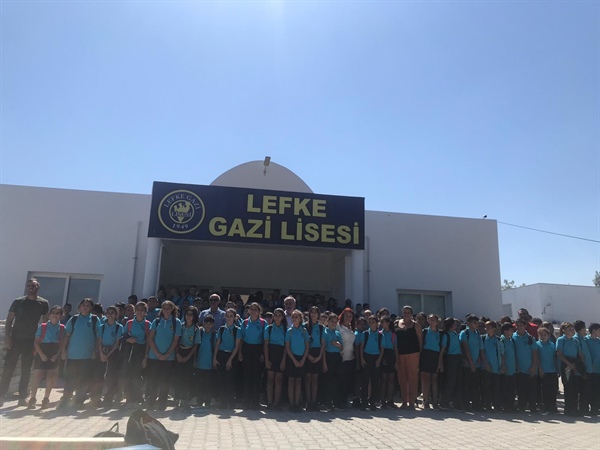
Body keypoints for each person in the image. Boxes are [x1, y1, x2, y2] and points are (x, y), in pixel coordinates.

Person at [0, 278, 49, 407]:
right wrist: (7, 337)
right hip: (15, 339)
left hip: (30, 341)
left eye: (33, 285)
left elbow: (45, 323)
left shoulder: (43, 303)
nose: (30, 287)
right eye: (29, 285)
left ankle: (22, 397)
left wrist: (39, 341)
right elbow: (9, 320)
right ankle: (1, 395)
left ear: (38, 287)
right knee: (8, 369)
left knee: (26, 370)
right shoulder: (18, 302)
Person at [58, 298, 100, 409]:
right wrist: (63, 351)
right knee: (70, 379)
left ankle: (79, 400)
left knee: (84, 379)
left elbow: (98, 337)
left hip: (87, 356)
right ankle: (65, 400)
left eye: (88, 305)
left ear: (91, 308)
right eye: (83, 305)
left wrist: (95, 351)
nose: (85, 307)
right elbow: (67, 336)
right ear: (79, 307)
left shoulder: (94, 320)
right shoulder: (73, 319)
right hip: (72, 355)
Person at [146, 300, 182, 410]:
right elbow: (151, 338)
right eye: (164, 308)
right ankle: (151, 402)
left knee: (165, 381)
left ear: (172, 309)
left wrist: (167, 354)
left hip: (168, 358)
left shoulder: (176, 322)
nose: (166, 310)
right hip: (154, 356)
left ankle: (162, 403)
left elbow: (175, 340)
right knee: (153, 380)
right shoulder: (156, 321)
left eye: (168, 308)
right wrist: (157, 353)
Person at [28, 305, 64, 410]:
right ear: (49, 315)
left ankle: (46, 399)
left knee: (50, 377)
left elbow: (61, 343)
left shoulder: (62, 328)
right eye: (53, 313)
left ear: (61, 316)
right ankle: (33, 398)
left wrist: (57, 355)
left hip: (54, 351)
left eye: (58, 313)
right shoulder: (42, 326)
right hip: (42, 350)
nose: (55, 315)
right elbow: (36, 342)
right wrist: (41, 355)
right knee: (37, 375)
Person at [92, 305, 124, 407]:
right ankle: (96, 398)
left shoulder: (119, 327)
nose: (110, 315)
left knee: (111, 376)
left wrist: (108, 355)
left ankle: (109, 398)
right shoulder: (102, 326)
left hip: (113, 352)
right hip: (102, 350)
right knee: (99, 375)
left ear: (116, 315)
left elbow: (117, 343)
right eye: (108, 313)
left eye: (112, 313)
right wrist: (102, 353)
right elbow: (99, 341)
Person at [122, 301, 151, 408]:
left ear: (145, 312)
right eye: (137, 309)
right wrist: (128, 339)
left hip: (141, 350)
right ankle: (129, 398)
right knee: (128, 374)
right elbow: (123, 337)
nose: (139, 312)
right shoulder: (129, 323)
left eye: (142, 310)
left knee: (137, 375)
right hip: (130, 350)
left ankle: (138, 397)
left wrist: (146, 356)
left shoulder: (148, 324)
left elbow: (148, 341)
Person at [213, 308, 242, 409]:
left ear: (234, 317)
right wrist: (214, 358)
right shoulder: (221, 329)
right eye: (227, 316)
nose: (229, 318)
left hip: (231, 355)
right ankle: (223, 402)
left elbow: (237, 346)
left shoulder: (237, 330)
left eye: (231, 316)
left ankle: (231, 401)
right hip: (221, 354)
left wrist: (230, 360)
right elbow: (217, 344)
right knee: (221, 379)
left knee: (230, 380)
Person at [239, 302, 266, 410]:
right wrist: (240, 352)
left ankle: (255, 401)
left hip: (258, 349)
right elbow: (241, 339)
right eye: (252, 309)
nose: (253, 311)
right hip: (246, 349)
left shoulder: (263, 323)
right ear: (249, 311)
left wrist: (263, 353)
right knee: (246, 376)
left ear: (259, 312)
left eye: (256, 310)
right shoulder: (245, 322)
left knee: (256, 376)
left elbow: (265, 340)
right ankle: (246, 401)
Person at [395, 305, 422, 410]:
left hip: (413, 354)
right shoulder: (397, 323)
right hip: (400, 354)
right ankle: (404, 401)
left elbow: (420, 340)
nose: (406, 314)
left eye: (408, 312)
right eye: (404, 312)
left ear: (411, 314)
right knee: (402, 378)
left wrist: (420, 354)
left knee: (412, 378)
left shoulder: (416, 325)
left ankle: (411, 402)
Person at [556, 322, 584, 416]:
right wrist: (569, 364)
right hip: (566, 364)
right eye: (570, 329)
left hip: (575, 363)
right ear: (564, 330)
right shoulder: (561, 340)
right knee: (568, 387)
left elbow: (580, 353)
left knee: (575, 387)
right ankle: (568, 409)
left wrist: (580, 365)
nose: (572, 331)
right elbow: (559, 354)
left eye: (573, 329)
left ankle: (575, 409)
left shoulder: (575, 341)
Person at [174, 306, 199, 411]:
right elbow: (176, 340)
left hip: (189, 353)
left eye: (191, 315)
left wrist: (188, 357)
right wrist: (177, 354)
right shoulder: (180, 326)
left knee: (186, 378)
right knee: (178, 377)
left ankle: (184, 399)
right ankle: (176, 398)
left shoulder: (196, 329)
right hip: (179, 351)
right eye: (187, 314)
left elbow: (195, 345)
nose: (188, 316)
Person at [285, 309, 309, 412]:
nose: (294, 319)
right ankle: (292, 404)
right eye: (293, 317)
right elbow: (287, 347)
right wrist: (294, 360)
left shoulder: (304, 331)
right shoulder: (289, 331)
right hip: (292, 358)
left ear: (300, 319)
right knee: (291, 381)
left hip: (301, 358)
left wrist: (303, 359)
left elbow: (307, 346)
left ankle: (297, 403)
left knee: (298, 381)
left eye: (296, 317)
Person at [513, 318, 539, 412]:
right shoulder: (513, 337)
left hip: (530, 368)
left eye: (521, 325)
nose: (519, 327)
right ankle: (521, 407)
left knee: (532, 389)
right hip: (519, 369)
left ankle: (533, 407)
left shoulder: (530, 338)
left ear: (525, 326)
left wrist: (533, 366)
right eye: (518, 326)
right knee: (521, 389)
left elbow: (535, 352)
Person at [264, 308, 287, 410]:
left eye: (279, 316)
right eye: (276, 315)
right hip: (271, 354)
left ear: (282, 317)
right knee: (270, 380)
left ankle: (276, 402)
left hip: (281, 354)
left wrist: (283, 360)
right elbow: (266, 345)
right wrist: (267, 360)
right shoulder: (268, 328)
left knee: (278, 380)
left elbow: (286, 347)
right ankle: (269, 402)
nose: (277, 318)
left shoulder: (285, 329)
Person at [459, 315, 483, 412]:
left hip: (477, 364)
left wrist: (479, 358)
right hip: (467, 364)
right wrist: (471, 362)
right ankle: (466, 404)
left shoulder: (477, 334)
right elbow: (466, 348)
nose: (476, 325)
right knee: (466, 385)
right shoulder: (464, 333)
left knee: (475, 385)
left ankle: (476, 404)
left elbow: (480, 348)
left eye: (477, 323)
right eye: (474, 323)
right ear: (468, 323)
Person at [420, 314, 444, 410]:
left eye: (434, 320)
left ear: (437, 322)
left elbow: (441, 348)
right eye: (430, 319)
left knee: (434, 379)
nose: (432, 321)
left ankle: (435, 402)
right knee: (426, 379)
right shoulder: (425, 331)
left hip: (436, 356)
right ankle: (425, 401)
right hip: (426, 355)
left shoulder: (440, 333)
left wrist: (440, 362)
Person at [360, 315, 383, 410]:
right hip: (366, 356)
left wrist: (379, 360)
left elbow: (382, 349)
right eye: (370, 322)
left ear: (377, 324)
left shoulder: (380, 335)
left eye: (373, 322)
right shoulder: (365, 333)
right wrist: (362, 359)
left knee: (375, 381)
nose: (371, 324)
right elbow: (361, 347)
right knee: (365, 381)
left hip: (376, 357)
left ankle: (372, 401)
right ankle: (364, 401)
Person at [305, 306, 325, 412]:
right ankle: (308, 402)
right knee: (308, 379)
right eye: (311, 312)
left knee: (315, 380)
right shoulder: (305, 326)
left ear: (318, 315)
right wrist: (307, 355)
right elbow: (303, 342)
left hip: (317, 353)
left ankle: (314, 401)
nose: (313, 314)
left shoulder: (321, 328)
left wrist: (319, 356)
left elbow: (323, 344)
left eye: (315, 312)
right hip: (308, 352)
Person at [439, 317, 462, 411]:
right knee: (450, 382)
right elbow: (442, 350)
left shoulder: (455, 334)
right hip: (450, 358)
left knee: (458, 381)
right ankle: (444, 402)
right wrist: (440, 363)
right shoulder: (446, 335)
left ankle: (455, 403)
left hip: (458, 357)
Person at [481, 320, 503, 412]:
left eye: (488, 327)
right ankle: (487, 405)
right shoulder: (482, 338)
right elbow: (482, 352)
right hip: (486, 367)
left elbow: (502, 353)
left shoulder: (498, 340)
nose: (486, 329)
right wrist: (486, 364)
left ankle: (497, 405)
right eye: (485, 327)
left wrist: (503, 366)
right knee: (486, 387)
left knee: (496, 387)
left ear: (494, 329)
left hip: (496, 367)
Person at [323, 313, 344, 411]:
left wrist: (338, 345)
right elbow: (324, 348)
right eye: (332, 321)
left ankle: (335, 402)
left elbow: (341, 348)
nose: (333, 324)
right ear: (328, 321)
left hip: (337, 357)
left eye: (335, 322)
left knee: (336, 381)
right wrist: (324, 363)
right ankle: (327, 402)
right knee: (328, 381)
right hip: (328, 356)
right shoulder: (325, 332)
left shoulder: (337, 333)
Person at [337, 307, 356, 410]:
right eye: (346, 316)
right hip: (341, 357)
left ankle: (344, 401)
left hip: (350, 358)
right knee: (340, 381)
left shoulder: (351, 328)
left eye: (350, 316)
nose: (348, 318)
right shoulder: (338, 327)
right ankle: (339, 402)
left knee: (347, 382)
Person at [195, 314, 216, 408]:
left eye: (210, 323)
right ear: (203, 323)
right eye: (206, 322)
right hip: (199, 363)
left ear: (212, 324)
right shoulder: (199, 333)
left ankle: (208, 401)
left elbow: (215, 349)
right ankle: (199, 401)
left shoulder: (214, 335)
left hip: (209, 364)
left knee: (208, 384)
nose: (208, 325)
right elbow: (196, 347)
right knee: (199, 384)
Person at [536, 326, 558, 414]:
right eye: (541, 335)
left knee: (553, 389)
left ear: (548, 335)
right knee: (545, 390)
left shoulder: (552, 344)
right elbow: (537, 358)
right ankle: (546, 407)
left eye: (545, 334)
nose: (543, 336)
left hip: (552, 370)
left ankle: (553, 407)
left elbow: (554, 357)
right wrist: (540, 369)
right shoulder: (537, 344)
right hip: (543, 370)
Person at [379, 316, 397, 409]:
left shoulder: (393, 335)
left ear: (388, 323)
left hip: (391, 355)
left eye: (383, 322)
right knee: (383, 379)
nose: (381, 324)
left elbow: (395, 348)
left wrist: (396, 361)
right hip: (382, 354)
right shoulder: (379, 333)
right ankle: (382, 400)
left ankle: (390, 400)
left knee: (391, 379)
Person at [585, 323, 600, 415]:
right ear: (594, 331)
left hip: (598, 370)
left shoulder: (599, 341)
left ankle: (595, 407)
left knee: (597, 389)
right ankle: (587, 407)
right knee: (589, 389)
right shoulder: (586, 340)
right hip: (590, 370)